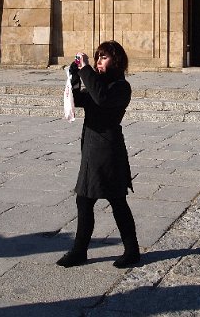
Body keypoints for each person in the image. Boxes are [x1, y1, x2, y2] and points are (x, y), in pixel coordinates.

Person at [56, 40, 140, 268]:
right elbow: (79, 99)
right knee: (84, 201)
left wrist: (86, 70)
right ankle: (80, 251)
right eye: (97, 57)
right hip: (92, 150)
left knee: (117, 201)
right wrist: (73, 76)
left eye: (103, 57)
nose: (98, 61)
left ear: (117, 60)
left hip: (109, 152)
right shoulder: (98, 83)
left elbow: (102, 98)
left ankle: (131, 251)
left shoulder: (121, 87)